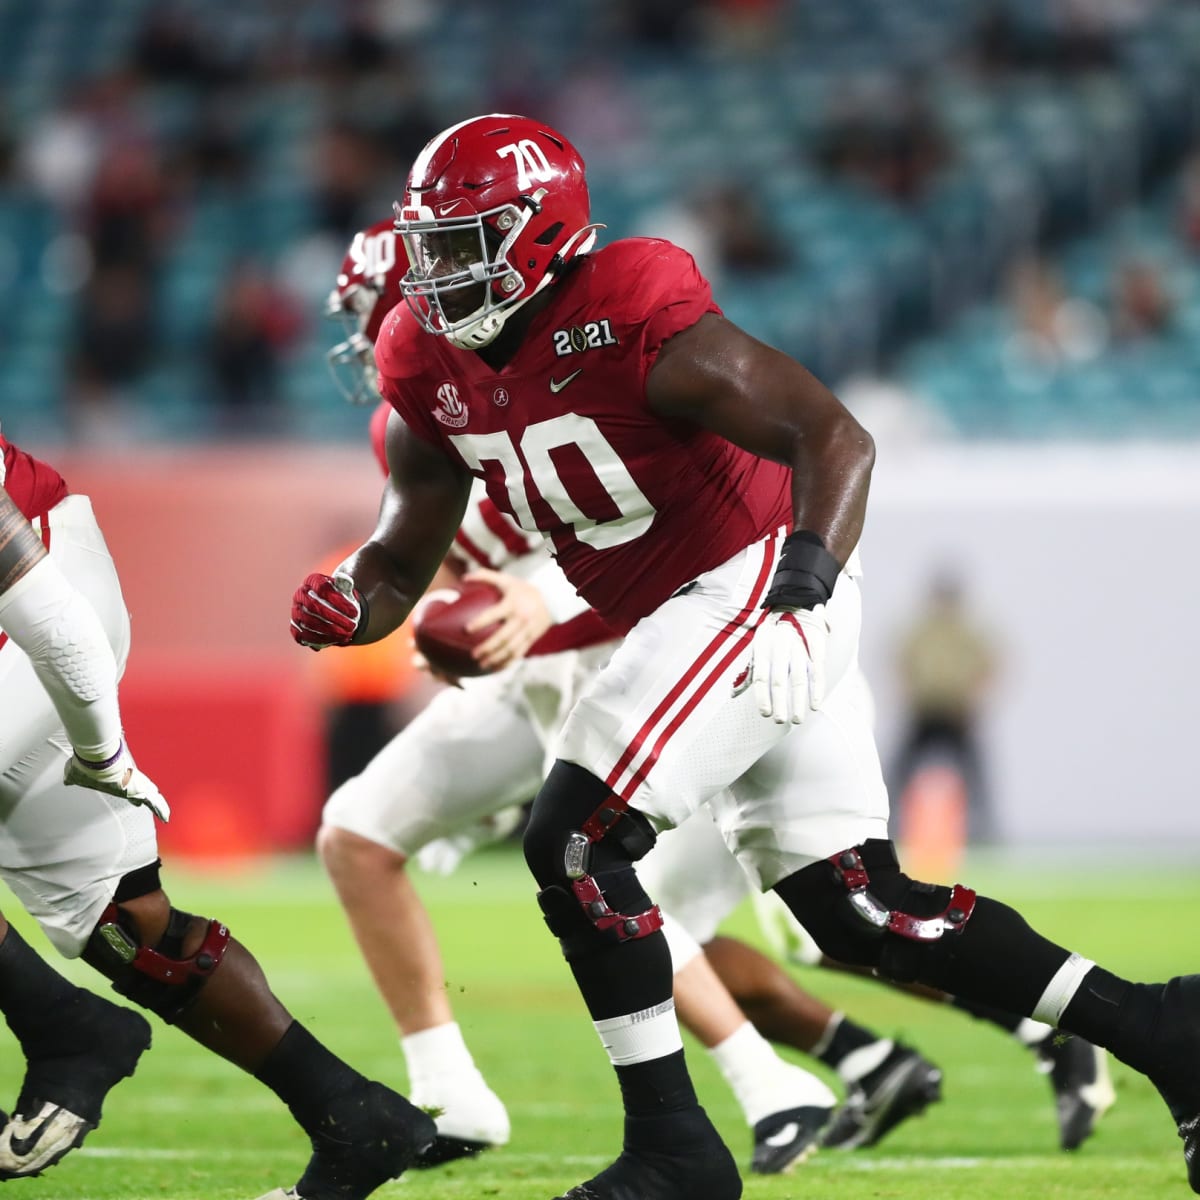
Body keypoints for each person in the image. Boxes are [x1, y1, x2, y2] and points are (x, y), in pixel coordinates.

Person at [290, 114, 1200, 1200]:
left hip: (752, 579)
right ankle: (1163, 1028)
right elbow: (403, 553)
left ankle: (676, 1151)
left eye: (462, 244)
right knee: (859, 910)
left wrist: (800, 589)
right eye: (428, 247)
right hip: (676, 607)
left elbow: (835, 436)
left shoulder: (624, 307)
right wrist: (356, 599)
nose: (433, 279)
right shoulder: (421, 360)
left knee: (576, 839)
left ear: (540, 234)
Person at [319, 224, 901, 1171]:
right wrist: (376, 602)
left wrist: (531, 604)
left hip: (639, 646)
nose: (382, 324)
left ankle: (783, 1077)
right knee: (360, 832)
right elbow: (419, 560)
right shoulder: (420, 401)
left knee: (768, 900)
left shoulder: (569, 353)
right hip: (525, 674)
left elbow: (636, 548)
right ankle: (453, 1093)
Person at [0, 428, 435, 1199]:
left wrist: (101, 754)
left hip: (42, 608)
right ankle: (350, 1113)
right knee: (125, 927)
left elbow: (52, 623)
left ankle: (67, 1030)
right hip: (43, 607)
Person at [891, 569, 1000, 845]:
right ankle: (886, 828)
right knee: (899, 773)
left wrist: (973, 699)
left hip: (957, 713)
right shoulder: (920, 631)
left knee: (975, 778)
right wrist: (910, 694)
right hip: (925, 711)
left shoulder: (968, 633)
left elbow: (989, 667)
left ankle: (984, 834)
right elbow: (901, 663)